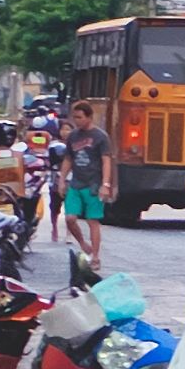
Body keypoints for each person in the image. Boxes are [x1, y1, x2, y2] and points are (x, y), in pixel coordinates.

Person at [57, 100, 110, 265]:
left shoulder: (100, 137)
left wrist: (105, 184)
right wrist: (61, 180)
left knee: (92, 221)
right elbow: (68, 159)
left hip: (93, 185)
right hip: (76, 183)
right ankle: (82, 243)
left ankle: (95, 256)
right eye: (75, 117)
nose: (77, 121)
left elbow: (106, 161)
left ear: (89, 117)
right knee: (70, 218)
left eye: (80, 117)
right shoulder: (73, 136)